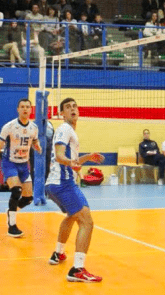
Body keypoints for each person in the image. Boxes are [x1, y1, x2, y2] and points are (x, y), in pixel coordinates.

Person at [45, 97, 105, 282]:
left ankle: (58, 253)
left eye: (74, 106)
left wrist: (86, 157)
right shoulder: (64, 128)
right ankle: (78, 269)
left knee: (71, 216)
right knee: (87, 222)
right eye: (68, 107)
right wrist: (69, 161)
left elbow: (71, 161)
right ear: (62, 113)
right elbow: (59, 155)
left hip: (55, 183)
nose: (72, 109)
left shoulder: (70, 131)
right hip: (63, 183)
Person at [0, 98, 41, 237]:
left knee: (28, 198)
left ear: (31, 109)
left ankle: (11, 210)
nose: (25, 109)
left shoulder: (34, 128)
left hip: (24, 164)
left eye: (27, 107)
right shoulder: (9, 126)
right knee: (16, 190)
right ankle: (12, 226)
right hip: (10, 163)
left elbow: (34, 141)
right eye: (22, 107)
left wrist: (37, 147)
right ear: (18, 109)